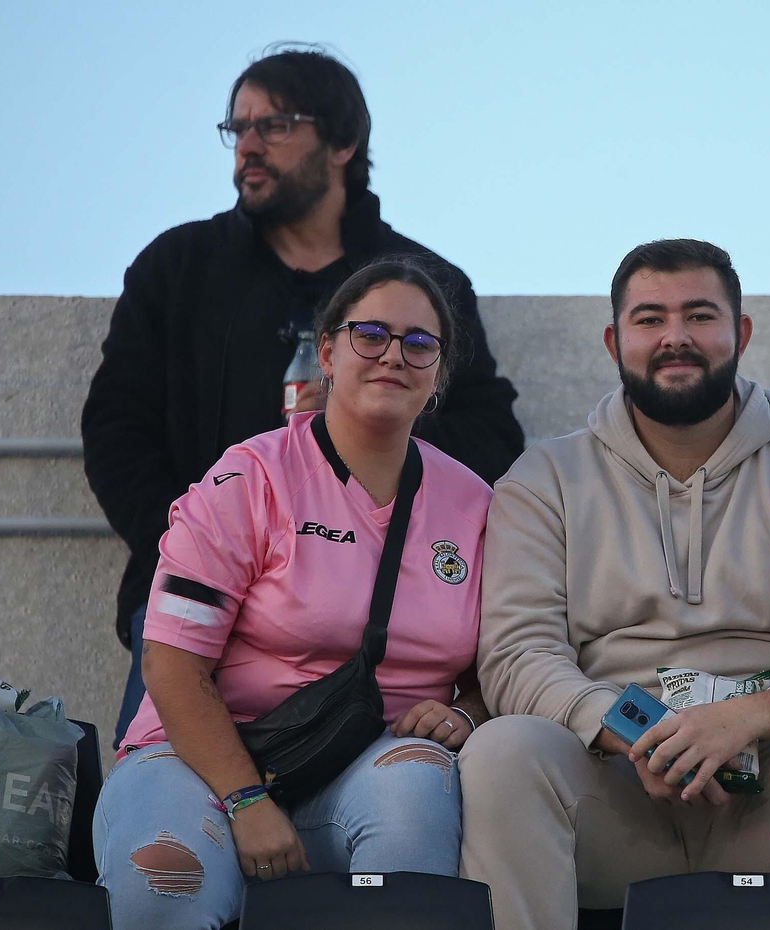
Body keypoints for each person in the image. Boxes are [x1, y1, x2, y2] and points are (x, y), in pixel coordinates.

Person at [459, 239, 770, 930]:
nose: (676, 338)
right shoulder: (543, 481)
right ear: (615, 340)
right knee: (502, 751)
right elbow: (517, 658)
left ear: (743, 332)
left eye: (700, 315)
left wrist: (747, 719)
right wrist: (636, 732)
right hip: (615, 790)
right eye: (649, 320)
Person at [81, 45, 523, 746]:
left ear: (343, 142)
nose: (249, 146)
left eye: (275, 125)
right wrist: (194, 540)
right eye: (238, 128)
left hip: (392, 629)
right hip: (195, 606)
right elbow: (115, 427)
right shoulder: (179, 268)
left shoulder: (427, 284)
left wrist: (370, 438)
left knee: (395, 817)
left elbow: (492, 434)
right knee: (164, 799)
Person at [92, 260, 492, 930]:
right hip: (198, 764)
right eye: (371, 334)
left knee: (420, 784)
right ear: (328, 353)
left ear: (438, 374)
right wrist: (245, 801)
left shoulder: (476, 504)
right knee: (166, 882)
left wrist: (468, 713)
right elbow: (171, 664)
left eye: (419, 343)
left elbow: (505, 662)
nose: (394, 355)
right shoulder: (249, 477)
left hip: (367, 765)